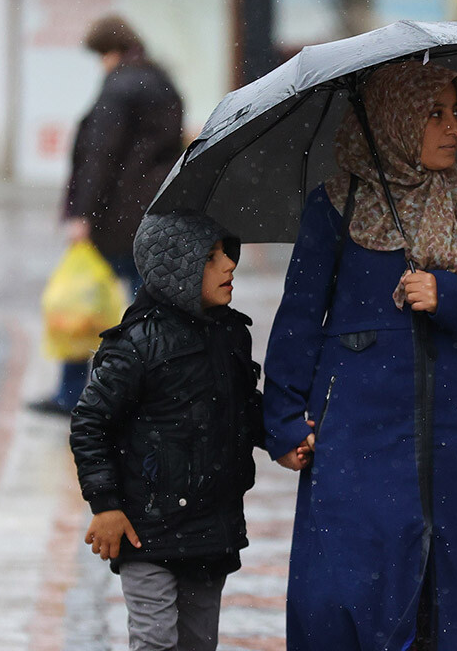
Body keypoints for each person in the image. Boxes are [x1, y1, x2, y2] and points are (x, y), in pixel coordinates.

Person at [262, 60, 457, 650]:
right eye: (433, 113)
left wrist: (450, 299)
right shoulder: (334, 206)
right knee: (351, 586)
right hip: (358, 434)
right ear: (392, 120)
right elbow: (297, 323)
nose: (452, 127)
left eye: (456, 112)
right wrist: (284, 420)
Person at [70, 211, 275, 651]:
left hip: (210, 529)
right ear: (178, 270)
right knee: (155, 640)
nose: (229, 266)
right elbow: (90, 423)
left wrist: (284, 438)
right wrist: (105, 505)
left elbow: (244, 409)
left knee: (198, 642)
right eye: (212, 258)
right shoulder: (138, 344)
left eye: (228, 254)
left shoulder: (232, 335)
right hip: (146, 528)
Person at [31, 15, 184, 414]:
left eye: (100, 56)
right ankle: (149, 396)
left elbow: (100, 156)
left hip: (115, 215)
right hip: (152, 212)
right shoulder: (162, 83)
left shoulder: (119, 87)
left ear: (110, 52)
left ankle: (71, 392)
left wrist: (81, 213)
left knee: (81, 299)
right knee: (146, 308)